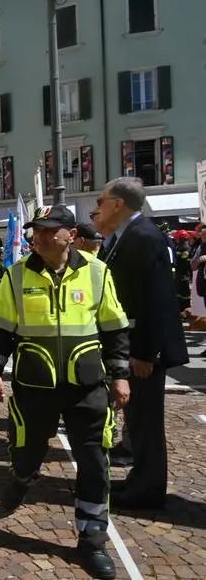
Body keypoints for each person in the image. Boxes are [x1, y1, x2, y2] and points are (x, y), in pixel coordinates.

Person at [0, 205, 131, 580]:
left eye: (51, 230)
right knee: (25, 450)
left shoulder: (97, 272)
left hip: (85, 386)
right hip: (34, 385)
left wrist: (119, 375)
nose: (42, 236)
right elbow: (1, 326)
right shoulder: (16, 276)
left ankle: (92, 538)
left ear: (71, 234)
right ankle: (22, 478)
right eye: (38, 230)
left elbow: (115, 328)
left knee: (95, 460)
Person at [92, 177, 189, 509]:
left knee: (146, 423)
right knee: (138, 420)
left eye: (101, 199)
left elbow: (155, 299)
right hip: (134, 348)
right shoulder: (128, 236)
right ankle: (140, 481)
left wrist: (146, 352)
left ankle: (147, 491)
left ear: (117, 203)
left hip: (143, 351)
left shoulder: (143, 236)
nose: (98, 206)